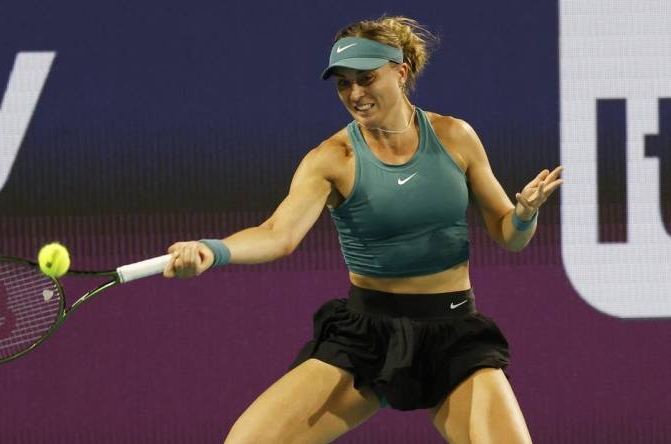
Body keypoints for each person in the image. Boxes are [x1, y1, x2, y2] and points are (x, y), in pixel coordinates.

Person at [163, 15, 561, 444]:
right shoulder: (332, 159)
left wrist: (523, 213)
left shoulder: (454, 136)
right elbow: (278, 233)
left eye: (366, 78)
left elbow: (509, 235)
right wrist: (212, 250)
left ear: (401, 71)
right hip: (366, 338)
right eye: (343, 84)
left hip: (453, 335)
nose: (355, 93)